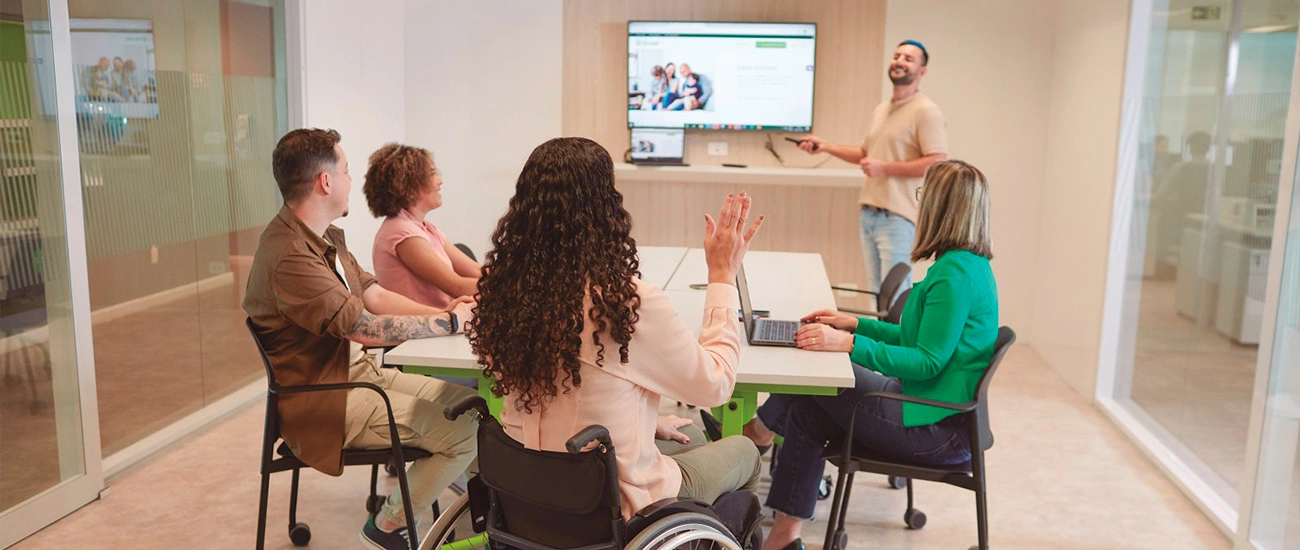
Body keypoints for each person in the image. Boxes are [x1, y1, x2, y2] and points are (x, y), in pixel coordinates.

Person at [468, 137, 766, 519]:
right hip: (614, 503)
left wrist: (642, 421)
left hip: (526, 498)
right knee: (742, 450)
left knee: (683, 434)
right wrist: (722, 276)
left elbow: (560, 396)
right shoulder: (622, 304)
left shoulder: (504, 292)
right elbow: (716, 386)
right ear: (606, 206)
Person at [743, 160, 998, 550]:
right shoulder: (967, 265)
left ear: (942, 207)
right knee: (811, 408)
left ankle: (756, 436)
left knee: (822, 374)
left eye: (923, 195)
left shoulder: (954, 275)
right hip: (928, 409)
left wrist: (847, 344)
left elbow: (928, 360)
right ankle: (785, 536)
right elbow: (914, 337)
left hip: (933, 429)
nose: (919, 203)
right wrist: (854, 324)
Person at [244, 128, 478, 550]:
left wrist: (447, 315)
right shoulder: (289, 256)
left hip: (355, 372)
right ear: (325, 182)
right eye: (347, 171)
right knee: (465, 434)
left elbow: (373, 293)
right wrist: (449, 324)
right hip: (325, 399)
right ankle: (386, 526)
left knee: (475, 411)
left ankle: (473, 513)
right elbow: (362, 326)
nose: (353, 181)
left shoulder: (323, 236)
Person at [794, 40, 948, 292]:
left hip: (897, 217)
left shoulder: (926, 111)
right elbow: (866, 154)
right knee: (878, 295)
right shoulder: (883, 109)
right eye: (897, 55)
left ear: (922, 71)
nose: (899, 61)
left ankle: (899, 334)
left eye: (908, 58)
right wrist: (825, 146)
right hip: (869, 214)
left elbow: (937, 161)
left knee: (895, 297)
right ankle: (877, 334)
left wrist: (885, 167)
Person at [365, 143, 481, 310]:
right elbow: (457, 287)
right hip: (427, 331)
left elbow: (476, 271)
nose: (439, 181)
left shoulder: (425, 228)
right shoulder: (401, 232)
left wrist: (515, 273)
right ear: (408, 184)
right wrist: (515, 283)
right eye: (432, 173)